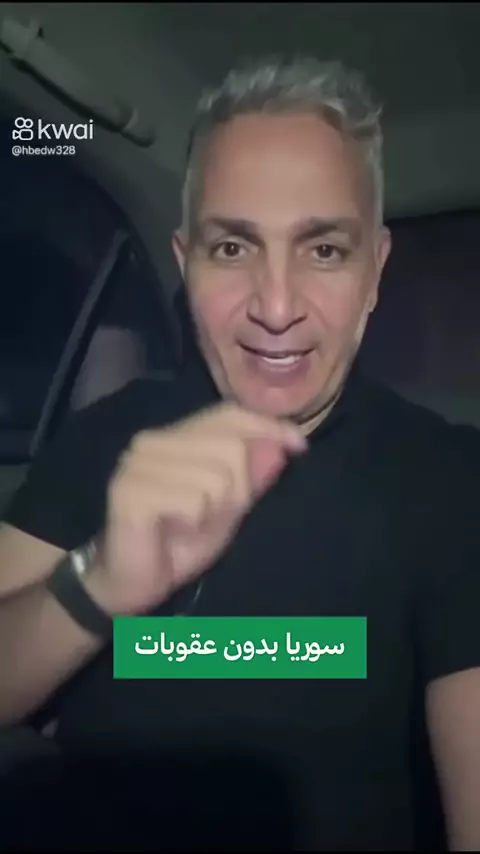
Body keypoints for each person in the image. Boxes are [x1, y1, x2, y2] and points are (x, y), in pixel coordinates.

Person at [0, 55, 479, 852]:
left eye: (324, 251)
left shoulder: (452, 483)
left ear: (374, 273)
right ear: (185, 263)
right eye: (233, 248)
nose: (277, 306)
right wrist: (97, 584)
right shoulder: (105, 440)